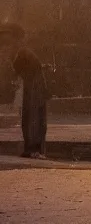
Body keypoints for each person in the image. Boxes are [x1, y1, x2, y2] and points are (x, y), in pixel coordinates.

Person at [0, 24, 49, 159]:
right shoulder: (23, 52)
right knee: (33, 117)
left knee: (32, 117)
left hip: (33, 88)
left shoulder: (22, 52)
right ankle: (34, 148)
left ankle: (33, 148)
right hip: (33, 87)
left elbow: (18, 71)